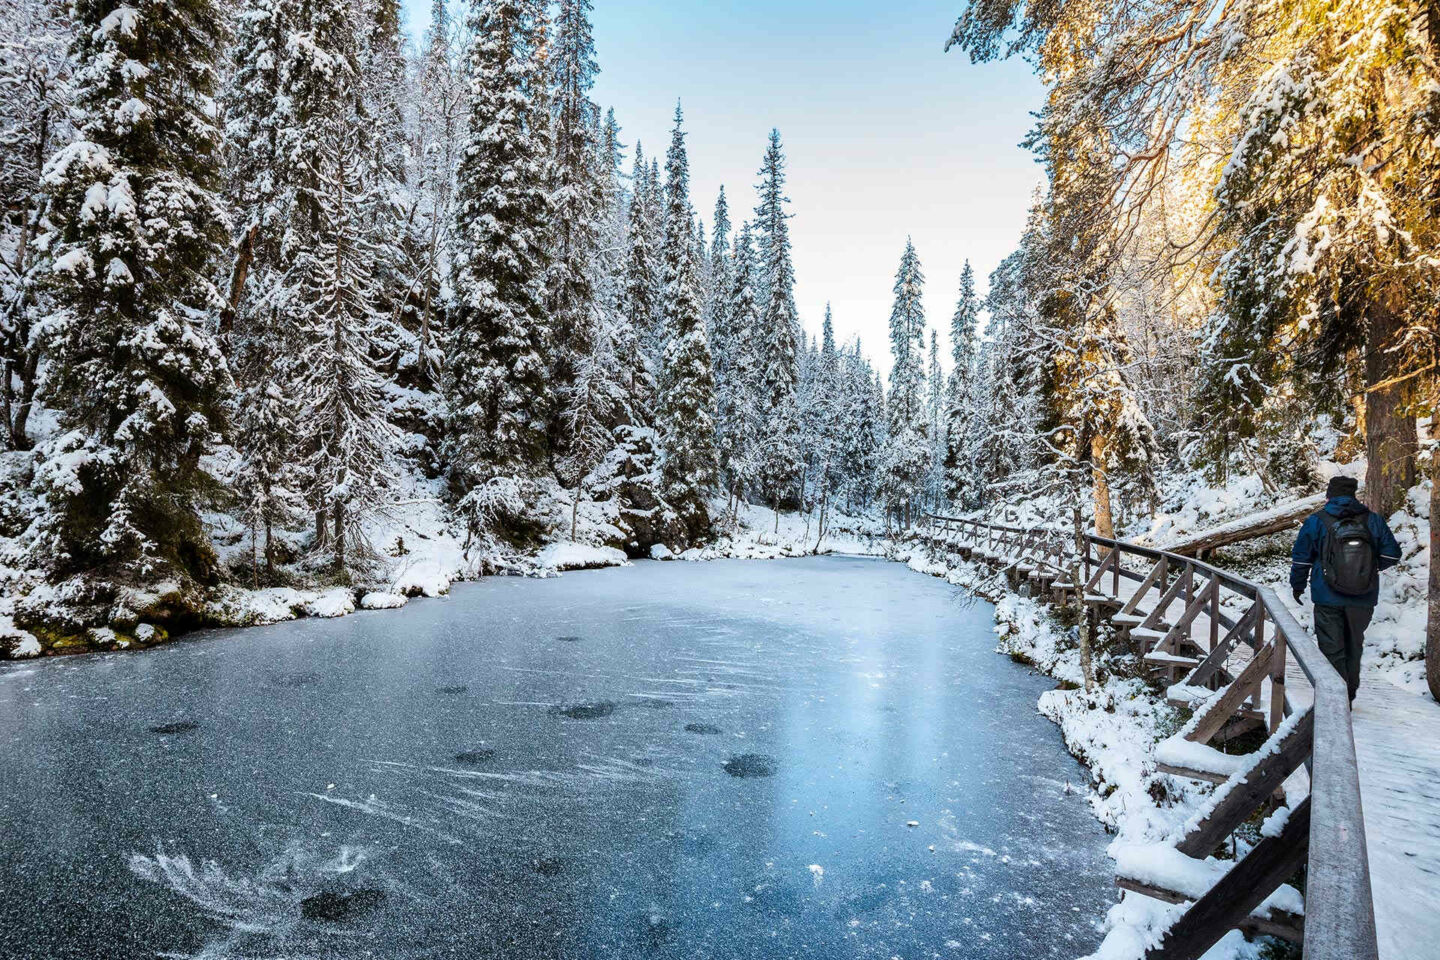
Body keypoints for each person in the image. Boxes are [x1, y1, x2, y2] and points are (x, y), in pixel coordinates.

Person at [1289, 475, 1401, 703]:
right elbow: (1392, 554)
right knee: (1353, 645)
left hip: (1326, 594)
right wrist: (1369, 568)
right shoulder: (1373, 520)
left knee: (1332, 647)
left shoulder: (1316, 521)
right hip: (1363, 596)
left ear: (1329, 494)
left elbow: (1301, 558)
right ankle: (1348, 695)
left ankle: (1336, 700)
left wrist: (1297, 585)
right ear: (1353, 494)